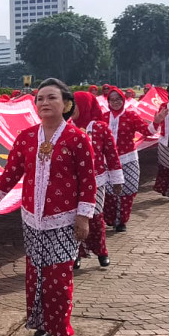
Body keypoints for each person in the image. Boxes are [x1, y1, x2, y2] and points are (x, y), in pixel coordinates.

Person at [0, 79, 97, 336]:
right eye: (40, 98)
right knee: (37, 274)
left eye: (51, 98)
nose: (44, 103)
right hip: (32, 219)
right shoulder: (27, 137)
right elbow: (12, 172)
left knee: (59, 276)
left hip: (64, 220)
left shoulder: (77, 138)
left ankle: (61, 329)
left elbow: (88, 181)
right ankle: (41, 322)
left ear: (65, 103)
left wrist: (83, 217)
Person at [71, 91, 121, 268]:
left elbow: (112, 154)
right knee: (73, 219)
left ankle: (101, 251)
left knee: (95, 217)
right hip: (72, 183)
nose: (72, 108)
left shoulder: (100, 127)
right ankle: (75, 254)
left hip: (96, 182)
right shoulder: (66, 126)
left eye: (76, 104)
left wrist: (117, 179)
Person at [102, 87, 152, 232]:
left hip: (128, 159)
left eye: (118, 99)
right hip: (108, 161)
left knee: (128, 189)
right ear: (108, 101)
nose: (115, 102)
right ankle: (111, 219)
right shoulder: (103, 118)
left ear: (123, 100)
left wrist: (156, 122)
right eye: (112, 99)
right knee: (109, 190)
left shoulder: (131, 116)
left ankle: (122, 220)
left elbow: (147, 132)